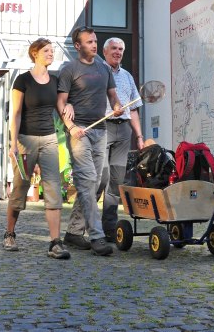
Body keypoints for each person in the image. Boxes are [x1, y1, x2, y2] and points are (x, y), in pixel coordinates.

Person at [57, 26, 123, 256]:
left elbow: (113, 96)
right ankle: (97, 236)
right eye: (89, 42)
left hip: (100, 130)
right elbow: (61, 103)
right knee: (86, 182)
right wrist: (71, 127)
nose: (94, 45)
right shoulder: (69, 70)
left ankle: (74, 232)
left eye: (95, 41)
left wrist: (115, 106)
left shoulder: (104, 69)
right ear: (77, 46)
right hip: (79, 132)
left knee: (96, 184)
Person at [3, 37, 71, 260]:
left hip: (50, 139)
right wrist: (13, 144)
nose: (51, 53)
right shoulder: (23, 81)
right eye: (47, 50)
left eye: (52, 50)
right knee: (20, 188)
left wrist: (68, 105)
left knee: (53, 189)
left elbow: (62, 104)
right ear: (35, 54)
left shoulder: (55, 80)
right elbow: (16, 113)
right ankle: (10, 233)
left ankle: (55, 243)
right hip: (26, 140)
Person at [97, 37, 145, 241]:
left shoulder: (127, 77)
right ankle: (81, 227)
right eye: (114, 48)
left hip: (124, 131)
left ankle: (108, 230)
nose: (118, 52)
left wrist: (140, 137)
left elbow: (133, 109)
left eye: (121, 49)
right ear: (105, 51)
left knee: (116, 182)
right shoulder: (96, 72)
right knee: (100, 179)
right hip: (102, 128)